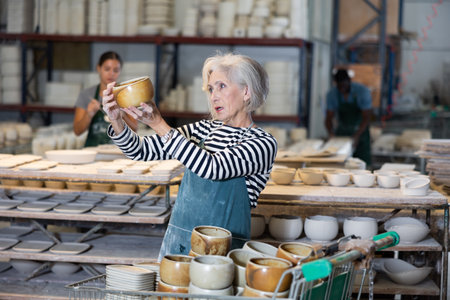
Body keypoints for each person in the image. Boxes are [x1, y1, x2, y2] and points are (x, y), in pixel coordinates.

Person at [102, 53, 277, 260]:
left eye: (222, 86)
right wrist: (116, 121)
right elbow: (140, 151)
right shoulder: (203, 129)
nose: (213, 96)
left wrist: (159, 124)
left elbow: (213, 168)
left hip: (221, 254)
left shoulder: (262, 143)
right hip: (179, 244)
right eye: (211, 89)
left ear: (246, 91)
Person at [73, 51, 137, 147]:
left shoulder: (126, 95)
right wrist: (89, 114)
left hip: (119, 152)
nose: (111, 74)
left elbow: (135, 129)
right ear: (99, 68)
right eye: (107, 69)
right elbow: (77, 131)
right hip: (93, 152)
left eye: (116, 70)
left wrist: (122, 114)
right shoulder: (86, 95)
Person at [325, 68, 372, 166]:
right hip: (342, 130)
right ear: (335, 83)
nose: (342, 88)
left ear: (349, 81)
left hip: (360, 131)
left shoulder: (362, 91)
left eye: (344, 85)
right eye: (339, 86)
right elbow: (329, 117)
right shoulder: (332, 94)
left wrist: (357, 135)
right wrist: (330, 133)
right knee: (340, 163)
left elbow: (366, 117)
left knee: (362, 164)